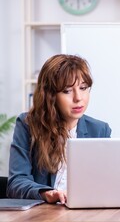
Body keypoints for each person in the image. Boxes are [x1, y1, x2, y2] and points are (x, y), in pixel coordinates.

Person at [7, 54, 112, 203]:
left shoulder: (100, 130)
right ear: (50, 95)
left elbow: (106, 183)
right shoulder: (28, 125)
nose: (78, 98)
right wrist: (47, 193)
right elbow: (17, 182)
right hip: (43, 215)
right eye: (67, 91)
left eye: (83, 88)